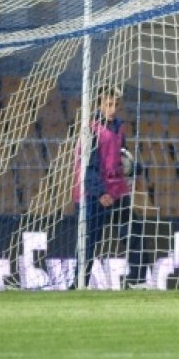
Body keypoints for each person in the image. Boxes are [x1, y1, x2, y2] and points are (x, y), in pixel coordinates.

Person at [73, 85, 146, 290]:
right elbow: (87, 165)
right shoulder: (91, 130)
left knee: (133, 231)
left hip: (116, 190)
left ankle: (138, 281)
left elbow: (119, 159)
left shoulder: (119, 128)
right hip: (93, 194)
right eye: (108, 104)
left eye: (115, 104)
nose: (112, 109)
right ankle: (78, 283)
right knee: (89, 242)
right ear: (99, 105)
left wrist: (134, 168)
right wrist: (100, 192)